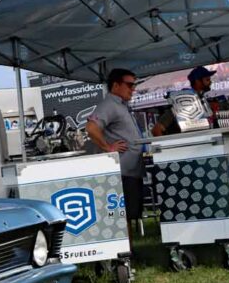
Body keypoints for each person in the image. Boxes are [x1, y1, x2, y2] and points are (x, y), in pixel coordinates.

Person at [86, 68, 144, 226]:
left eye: (134, 85)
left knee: (128, 216)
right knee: (121, 219)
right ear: (116, 85)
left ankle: (130, 249)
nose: (133, 89)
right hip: (121, 173)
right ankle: (127, 250)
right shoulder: (110, 104)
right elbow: (91, 128)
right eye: (129, 85)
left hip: (130, 171)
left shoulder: (121, 105)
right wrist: (108, 148)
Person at [150, 66, 217, 136]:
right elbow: (156, 130)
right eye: (207, 80)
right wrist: (169, 145)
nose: (210, 82)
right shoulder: (182, 102)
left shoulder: (204, 101)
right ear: (198, 81)